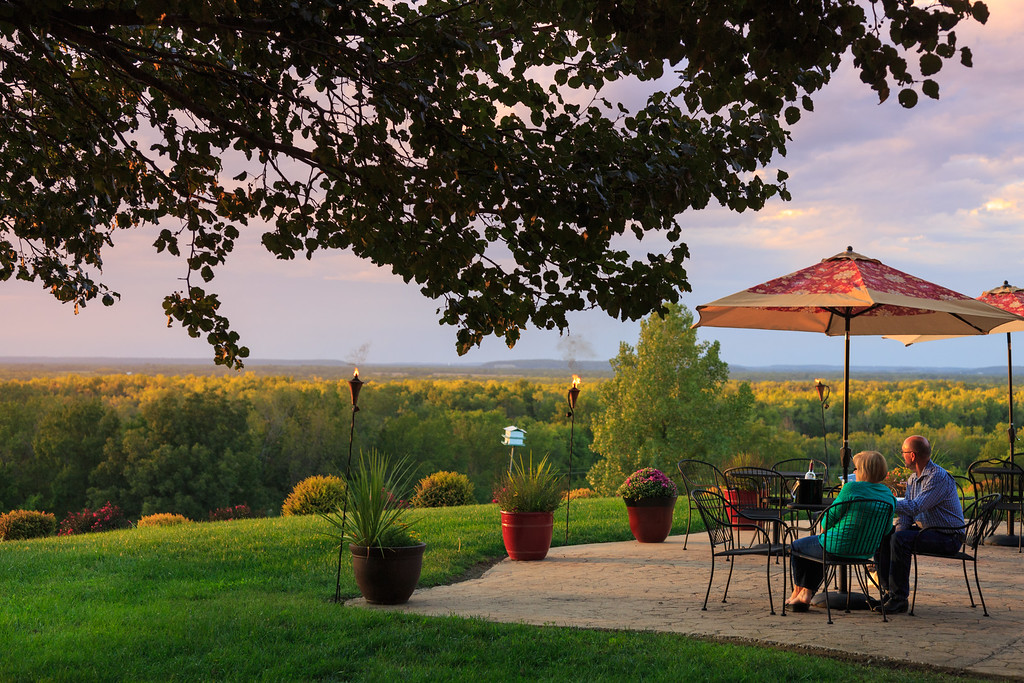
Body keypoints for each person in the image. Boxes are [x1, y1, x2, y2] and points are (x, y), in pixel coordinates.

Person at [785, 450, 896, 612]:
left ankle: (798, 593)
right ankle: (806, 593)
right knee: (816, 549)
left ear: (864, 471)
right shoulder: (888, 495)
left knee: (798, 546)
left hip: (837, 546)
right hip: (865, 552)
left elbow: (829, 518)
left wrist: (823, 530)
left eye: (856, 468)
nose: (854, 472)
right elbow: (886, 530)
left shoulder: (851, 489)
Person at [872, 434, 964, 614]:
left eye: (903, 452)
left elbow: (916, 506)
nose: (902, 454)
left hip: (949, 536)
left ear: (912, 456)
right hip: (928, 531)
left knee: (900, 540)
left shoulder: (937, 477)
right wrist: (892, 534)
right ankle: (889, 592)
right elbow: (907, 515)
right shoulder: (913, 479)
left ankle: (899, 599)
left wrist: (884, 501)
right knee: (883, 534)